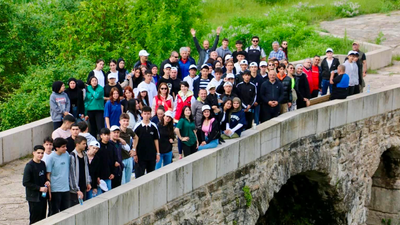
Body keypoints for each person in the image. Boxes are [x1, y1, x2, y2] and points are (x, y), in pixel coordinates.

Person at [23, 145, 50, 224]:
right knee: (35, 219)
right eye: (38, 153)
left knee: (42, 218)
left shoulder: (43, 164)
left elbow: (44, 177)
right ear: (33, 153)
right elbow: (26, 182)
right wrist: (39, 188)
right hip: (33, 197)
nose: (40, 155)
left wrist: (47, 181)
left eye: (42, 153)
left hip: (43, 196)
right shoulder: (29, 166)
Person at [133, 106, 160, 178]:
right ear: (141, 114)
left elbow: (156, 139)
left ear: (150, 114)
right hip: (140, 155)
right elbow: (134, 140)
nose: (146, 116)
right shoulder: (137, 126)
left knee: (151, 176)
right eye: (145, 114)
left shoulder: (154, 126)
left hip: (151, 155)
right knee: (139, 176)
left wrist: (158, 153)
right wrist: (134, 153)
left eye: (148, 114)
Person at [46, 138, 70, 215]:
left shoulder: (66, 154)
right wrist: (49, 190)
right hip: (55, 189)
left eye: (65, 146)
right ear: (57, 148)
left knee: (65, 211)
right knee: (54, 212)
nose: (65, 148)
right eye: (63, 147)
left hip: (66, 188)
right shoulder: (51, 157)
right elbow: (48, 174)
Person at [69, 136, 90, 206]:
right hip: (76, 189)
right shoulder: (72, 156)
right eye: (83, 144)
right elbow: (71, 174)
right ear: (77, 144)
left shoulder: (85, 155)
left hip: (83, 185)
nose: (85, 145)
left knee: (83, 205)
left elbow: (87, 169)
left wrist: (88, 182)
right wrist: (76, 189)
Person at [118, 114, 136, 184]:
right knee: (123, 181)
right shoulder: (117, 130)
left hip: (128, 157)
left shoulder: (129, 131)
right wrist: (120, 139)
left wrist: (133, 149)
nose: (126, 123)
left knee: (128, 180)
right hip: (121, 158)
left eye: (127, 121)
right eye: (124, 121)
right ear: (120, 122)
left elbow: (136, 137)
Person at [97, 128, 115, 192]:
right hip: (99, 175)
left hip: (108, 174)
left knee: (109, 192)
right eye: (105, 135)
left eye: (108, 135)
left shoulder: (111, 145)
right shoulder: (97, 146)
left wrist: (112, 173)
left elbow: (113, 160)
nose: (107, 136)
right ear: (101, 136)